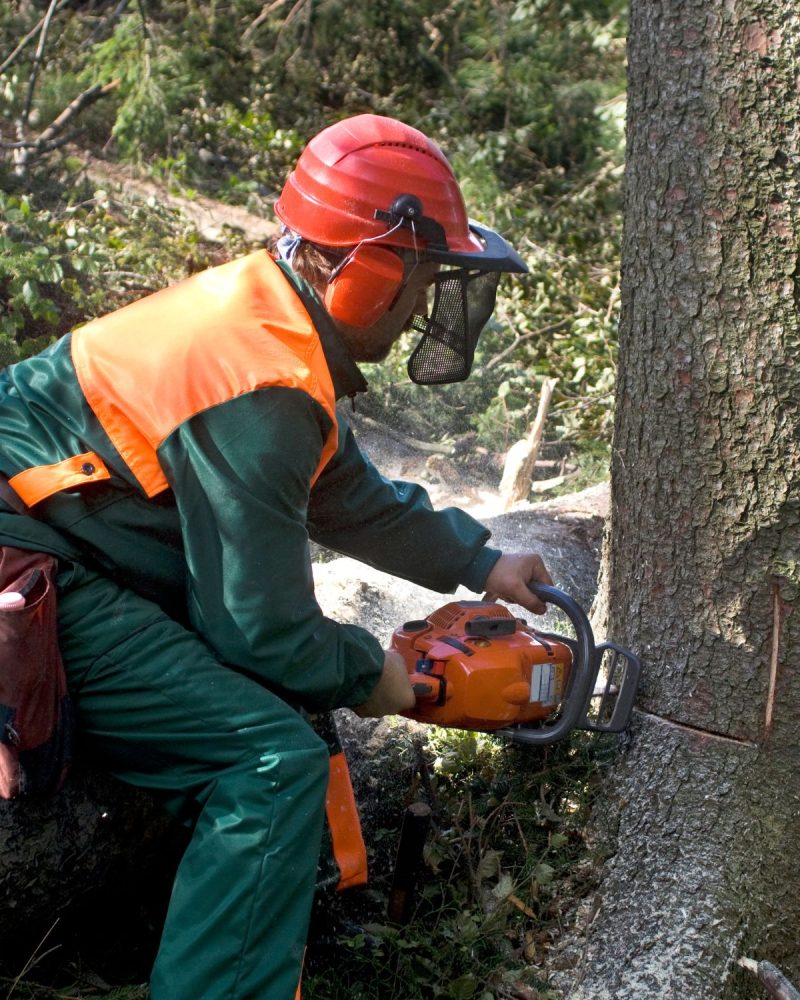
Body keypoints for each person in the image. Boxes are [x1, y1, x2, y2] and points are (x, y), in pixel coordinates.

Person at [0, 114, 552, 999]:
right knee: (267, 762)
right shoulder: (262, 380)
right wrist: (372, 673)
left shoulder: (271, 326)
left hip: (72, 539)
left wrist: (483, 562)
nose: (421, 309)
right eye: (420, 281)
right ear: (369, 271)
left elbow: (345, 496)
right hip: (34, 565)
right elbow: (259, 628)